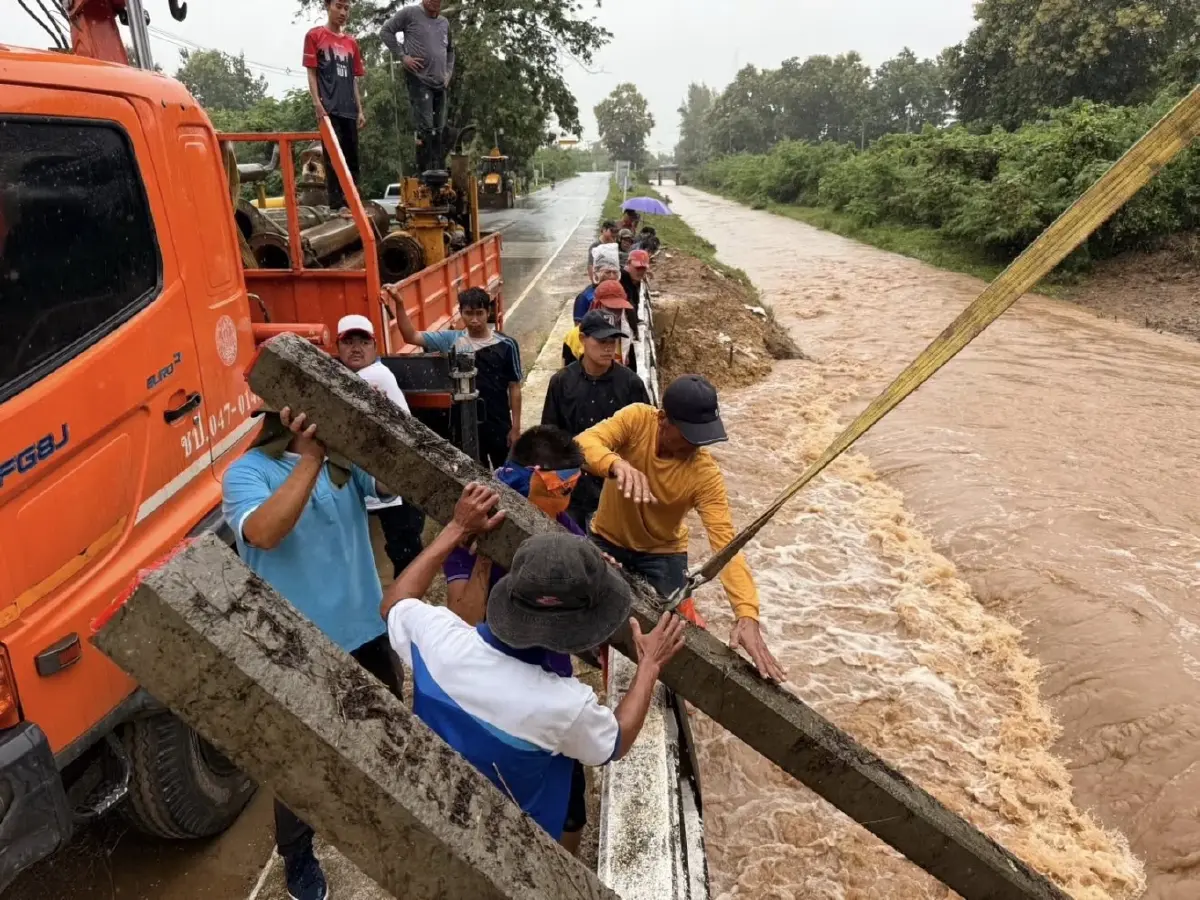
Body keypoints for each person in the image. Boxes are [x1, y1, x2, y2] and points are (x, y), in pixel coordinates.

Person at [381, 484, 687, 846]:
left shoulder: (438, 638)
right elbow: (616, 741)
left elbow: (394, 603)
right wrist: (649, 665)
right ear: (577, 634)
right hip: (518, 835)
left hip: (438, 797)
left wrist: (457, 528)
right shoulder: (565, 706)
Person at [222, 406, 399, 900]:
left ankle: (383, 822)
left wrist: (371, 433)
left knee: (388, 735)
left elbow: (388, 486)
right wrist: (310, 460)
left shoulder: (346, 463)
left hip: (366, 626)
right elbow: (262, 533)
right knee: (300, 764)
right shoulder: (247, 472)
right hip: (293, 647)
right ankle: (298, 858)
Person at [575, 375, 788, 683]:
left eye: (703, 437)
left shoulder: (705, 474)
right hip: (607, 538)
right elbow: (583, 443)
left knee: (672, 632)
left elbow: (725, 545)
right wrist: (616, 464)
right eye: (690, 435)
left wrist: (746, 612)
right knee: (589, 612)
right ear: (662, 420)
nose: (696, 445)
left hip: (663, 554)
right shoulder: (637, 420)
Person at [388, 285, 522, 469]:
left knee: (507, 474)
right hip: (466, 424)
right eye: (468, 313)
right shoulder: (451, 340)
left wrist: (516, 428)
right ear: (460, 313)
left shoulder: (507, 344)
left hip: (499, 422)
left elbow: (514, 386)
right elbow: (411, 336)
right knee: (476, 477)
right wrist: (400, 303)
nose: (474, 320)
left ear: (488, 312)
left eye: (479, 313)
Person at [335, 314, 426, 579]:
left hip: (398, 483)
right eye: (348, 342)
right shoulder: (356, 374)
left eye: (363, 342)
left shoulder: (373, 376)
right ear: (337, 347)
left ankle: (407, 608)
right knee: (402, 551)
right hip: (385, 480)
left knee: (405, 554)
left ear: (375, 347)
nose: (356, 348)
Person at [543, 311, 650, 532]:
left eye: (613, 341)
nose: (609, 348)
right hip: (571, 487)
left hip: (615, 488)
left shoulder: (631, 384)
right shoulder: (561, 383)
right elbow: (550, 436)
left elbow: (645, 438)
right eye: (602, 341)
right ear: (582, 340)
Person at [303, 0, 366, 213]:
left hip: (349, 108)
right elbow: (311, 72)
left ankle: (354, 201)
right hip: (329, 107)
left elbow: (353, 79)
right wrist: (316, 102)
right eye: (338, 6)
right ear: (327, 6)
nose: (342, 12)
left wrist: (360, 109)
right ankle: (337, 205)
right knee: (333, 157)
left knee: (353, 158)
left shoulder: (351, 43)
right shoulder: (315, 36)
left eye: (346, 8)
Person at [380, 0, 455, 173]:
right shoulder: (410, 13)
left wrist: (448, 74)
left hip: (440, 84)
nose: (436, 3)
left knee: (440, 130)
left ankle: (439, 171)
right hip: (419, 81)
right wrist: (403, 56)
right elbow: (385, 32)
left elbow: (451, 51)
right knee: (426, 129)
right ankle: (425, 173)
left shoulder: (444, 23)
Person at [562, 283, 634, 368]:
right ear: (597, 305)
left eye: (618, 309)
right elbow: (568, 372)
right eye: (609, 308)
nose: (614, 314)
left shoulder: (626, 335)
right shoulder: (574, 336)